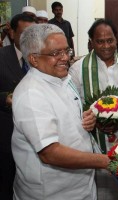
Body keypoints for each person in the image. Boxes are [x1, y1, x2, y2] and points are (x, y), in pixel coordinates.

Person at [11, 23, 110, 200]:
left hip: (81, 186)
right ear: (34, 59)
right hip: (52, 193)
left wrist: (84, 119)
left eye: (67, 50)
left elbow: (64, 116)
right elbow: (50, 153)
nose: (65, 58)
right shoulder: (31, 93)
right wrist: (105, 161)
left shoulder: (63, 78)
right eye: (56, 53)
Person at [69, 18, 118, 199]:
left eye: (110, 40)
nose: (106, 46)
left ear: (117, 40)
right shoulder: (77, 70)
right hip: (90, 145)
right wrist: (92, 123)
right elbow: (71, 110)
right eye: (100, 41)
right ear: (91, 42)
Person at [0, 14, 35, 200]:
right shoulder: (2, 57)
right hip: (7, 137)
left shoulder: (44, 58)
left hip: (38, 140)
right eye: (24, 33)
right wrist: (5, 98)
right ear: (12, 33)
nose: (29, 39)